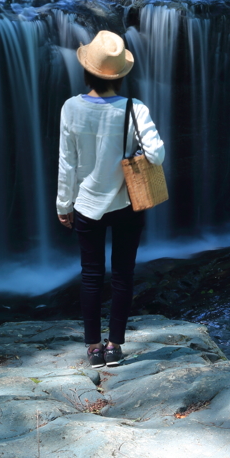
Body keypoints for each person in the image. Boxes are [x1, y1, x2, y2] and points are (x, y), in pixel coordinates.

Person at [56, 30, 165, 369]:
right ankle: (115, 346)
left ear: (87, 72)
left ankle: (92, 347)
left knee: (90, 275)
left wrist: (63, 205)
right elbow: (157, 155)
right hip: (127, 204)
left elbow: (67, 162)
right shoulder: (135, 108)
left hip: (86, 205)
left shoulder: (71, 108)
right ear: (120, 76)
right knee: (123, 274)